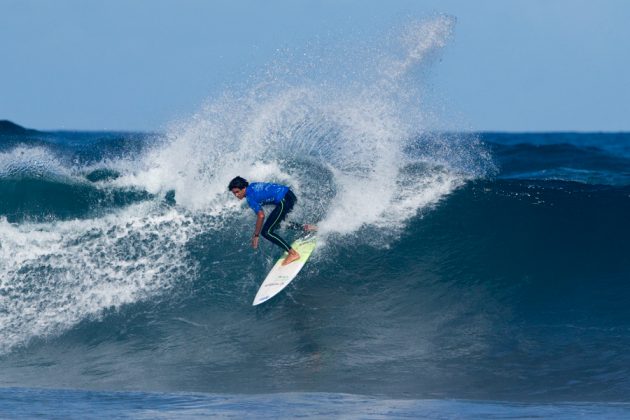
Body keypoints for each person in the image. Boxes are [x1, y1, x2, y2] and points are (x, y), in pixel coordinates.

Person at [228, 176, 316, 265]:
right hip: (289, 195)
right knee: (276, 224)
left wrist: (256, 235)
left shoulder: (250, 198)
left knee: (266, 232)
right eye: (234, 193)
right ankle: (307, 228)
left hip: (284, 201)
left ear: (244, 188)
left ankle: (293, 254)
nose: (236, 195)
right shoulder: (253, 185)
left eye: (237, 192)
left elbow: (261, 216)